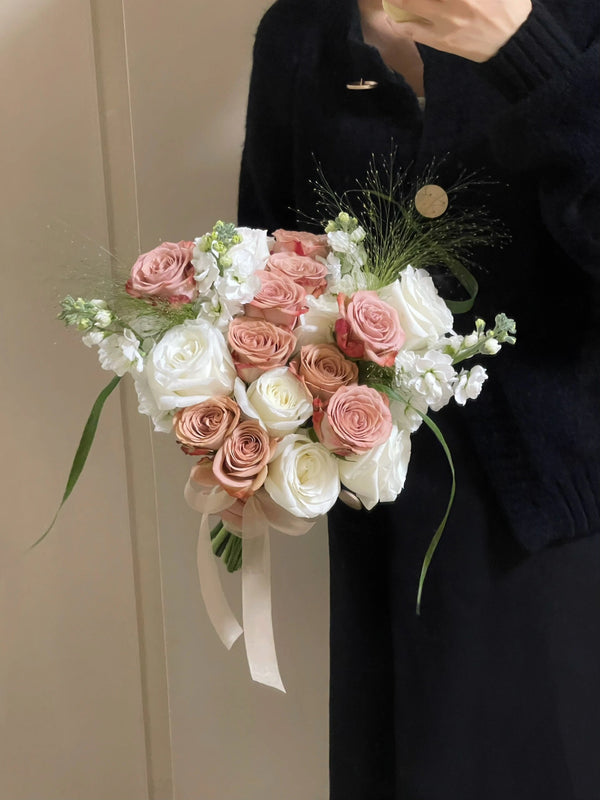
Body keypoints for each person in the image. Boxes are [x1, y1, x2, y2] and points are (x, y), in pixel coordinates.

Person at [238, 0, 600, 797]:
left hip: (560, 527)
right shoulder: (301, 32)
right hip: (379, 527)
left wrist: (522, 48)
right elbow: (266, 262)